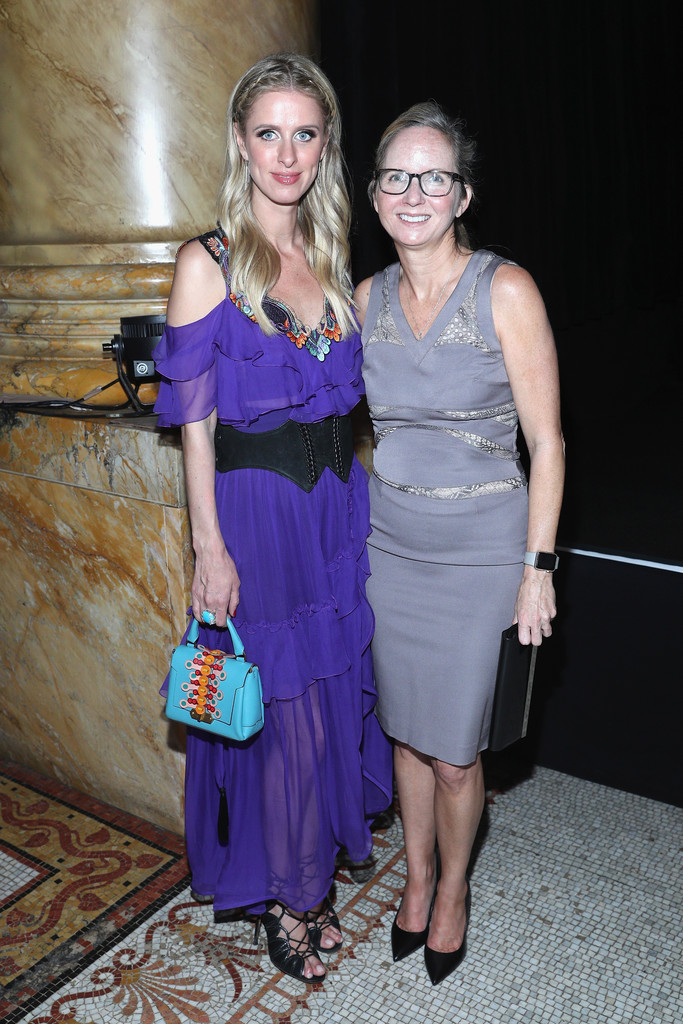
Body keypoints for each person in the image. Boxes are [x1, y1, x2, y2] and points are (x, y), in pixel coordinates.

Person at [153, 53, 392, 986]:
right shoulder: (206, 263)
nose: (286, 154)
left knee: (330, 704)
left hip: (334, 511)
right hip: (257, 520)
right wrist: (207, 547)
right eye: (268, 133)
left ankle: (309, 873)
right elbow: (195, 426)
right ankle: (292, 899)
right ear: (240, 144)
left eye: (304, 133)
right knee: (285, 717)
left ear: (324, 145)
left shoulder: (329, 255)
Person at [354, 101, 565, 986]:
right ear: (374, 195)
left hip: (482, 554)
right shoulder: (364, 299)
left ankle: (452, 891)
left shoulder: (503, 289)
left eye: (433, 176)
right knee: (404, 737)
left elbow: (547, 443)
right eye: (396, 176)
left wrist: (536, 571)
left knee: (452, 753)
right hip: (389, 552)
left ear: (461, 194)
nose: (414, 193)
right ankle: (413, 878)